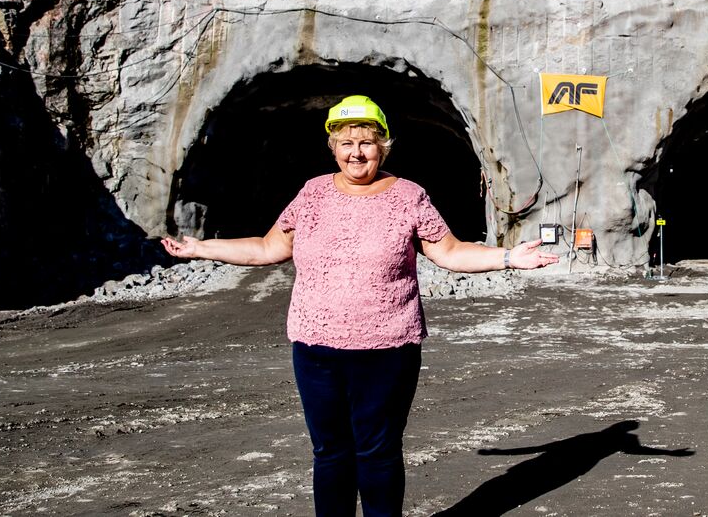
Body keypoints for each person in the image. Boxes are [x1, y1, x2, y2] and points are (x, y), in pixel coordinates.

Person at [161, 94, 559, 517]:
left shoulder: (409, 196)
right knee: (329, 451)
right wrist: (203, 248)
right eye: (346, 143)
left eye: (366, 142)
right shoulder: (312, 194)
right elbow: (267, 246)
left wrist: (507, 257)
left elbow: (450, 252)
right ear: (332, 148)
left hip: (387, 349)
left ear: (382, 147)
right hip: (316, 349)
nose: (356, 152)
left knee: (378, 450)